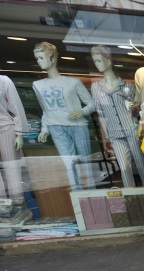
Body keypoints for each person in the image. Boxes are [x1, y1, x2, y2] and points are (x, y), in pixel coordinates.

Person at [32, 42, 95, 190]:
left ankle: (93, 193)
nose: (39, 61)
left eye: (41, 57)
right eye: (37, 58)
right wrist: (44, 129)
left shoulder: (73, 82)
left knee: (86, 162)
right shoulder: (38, 85)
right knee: (69, 165)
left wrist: (82, 111)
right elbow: (45, 110)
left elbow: (92, 103)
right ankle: (77, 196)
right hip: (56, 127)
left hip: (78, 126)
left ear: (52, 58)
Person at [91, 45, 144, 188]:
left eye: (99, 60)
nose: (97, 64)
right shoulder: (96, 88)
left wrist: (134, 107)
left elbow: (139, 111)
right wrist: (106, 137)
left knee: (141, 165)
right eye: (95, 61)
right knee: (124, 168)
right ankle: (131, 197)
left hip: (132, 130)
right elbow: (100, 113)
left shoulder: (128, 86)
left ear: (108, 60)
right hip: (114, 133)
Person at [0, 74, 29, 212]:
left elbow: (17, 107)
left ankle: (19, 209)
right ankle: (3, 211)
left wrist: (19, 134)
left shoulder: (3, 81)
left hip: (6, 128)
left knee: (12, 171)